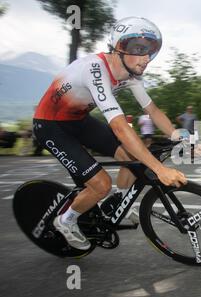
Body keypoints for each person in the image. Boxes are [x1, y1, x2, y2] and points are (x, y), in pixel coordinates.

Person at [32, 17, 187, 250]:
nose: (146, 59)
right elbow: (119, 126)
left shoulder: (131, 76)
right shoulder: (95, 69)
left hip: (79, 120)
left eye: (150, 52)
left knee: (132, 157)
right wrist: (160, 169)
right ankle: (66, 220)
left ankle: (120, 201)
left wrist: (180, 136)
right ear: (119, 47)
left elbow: (152, 110)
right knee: (101, 185)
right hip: (51, 125)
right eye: (139, 50)